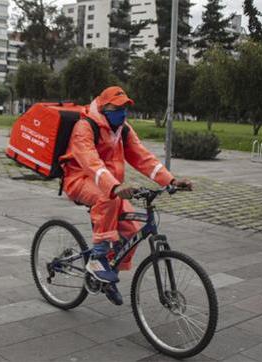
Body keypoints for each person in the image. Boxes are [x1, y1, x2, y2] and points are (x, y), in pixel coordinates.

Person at [59, 86, 192, 305]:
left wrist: (171, 181)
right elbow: (91, 162)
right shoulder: (85, 126)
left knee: (131, 230)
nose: (122, 112)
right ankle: (97, 260)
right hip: (79, 179)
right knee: (107, 198)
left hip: (110, 184)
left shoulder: (123, 129)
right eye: (117, 108)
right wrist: (113, 186)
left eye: (125, 108)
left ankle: (107, 277)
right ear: (103, 107)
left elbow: (142, 157)